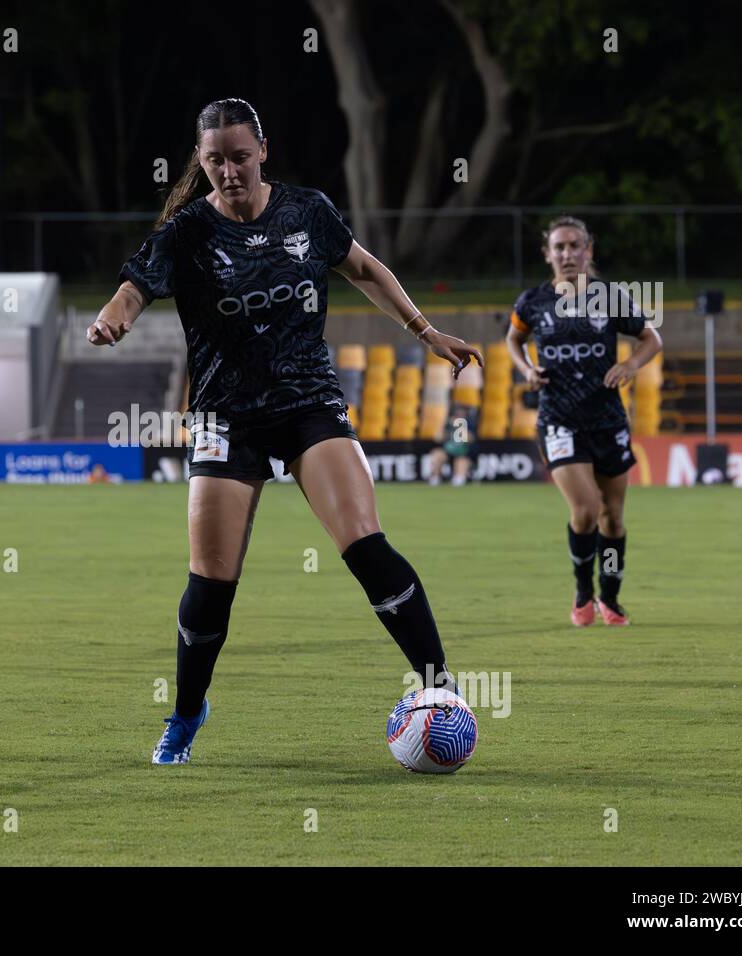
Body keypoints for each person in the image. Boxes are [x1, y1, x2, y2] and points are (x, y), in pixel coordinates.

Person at [88, 98, 482, 765]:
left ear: (262, 150)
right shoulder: (187, 233)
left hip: (308, 405)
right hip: (224, 416)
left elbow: (362, 267)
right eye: (214, 161)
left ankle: (440, 690)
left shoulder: (307, 211)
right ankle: (187, 713)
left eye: (240, 157)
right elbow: (133, 287)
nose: (229, 172)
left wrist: (427, 331)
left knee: (366, 543)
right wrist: (112, 319)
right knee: (211, 581)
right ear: (201, 161)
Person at [505, 216, 662, 627]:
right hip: (558, 419)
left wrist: (630, 363)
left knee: (613, 515)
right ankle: (582, 591)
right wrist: (525, 368)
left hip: (607, 419)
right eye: (559, 247)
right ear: (547, 254)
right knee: (587, 508)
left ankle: (610, 597)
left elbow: (652, 338)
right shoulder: (532, 302)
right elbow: (513, 338)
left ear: (589, 250)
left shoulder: (610, 297)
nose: (568, 254)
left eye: (575, 246)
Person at [426, 402, 476, 486]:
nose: (460, 414)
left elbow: (470, 439)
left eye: (462, 412)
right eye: (458, 412)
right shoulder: (448, 424)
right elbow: (438, 438)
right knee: (437, 454)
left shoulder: (469, 423)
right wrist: (445, 428)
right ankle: (435, 477)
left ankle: (459, 478)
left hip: (463, 453)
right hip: (448, 452)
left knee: (461, 461)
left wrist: (458, 427)